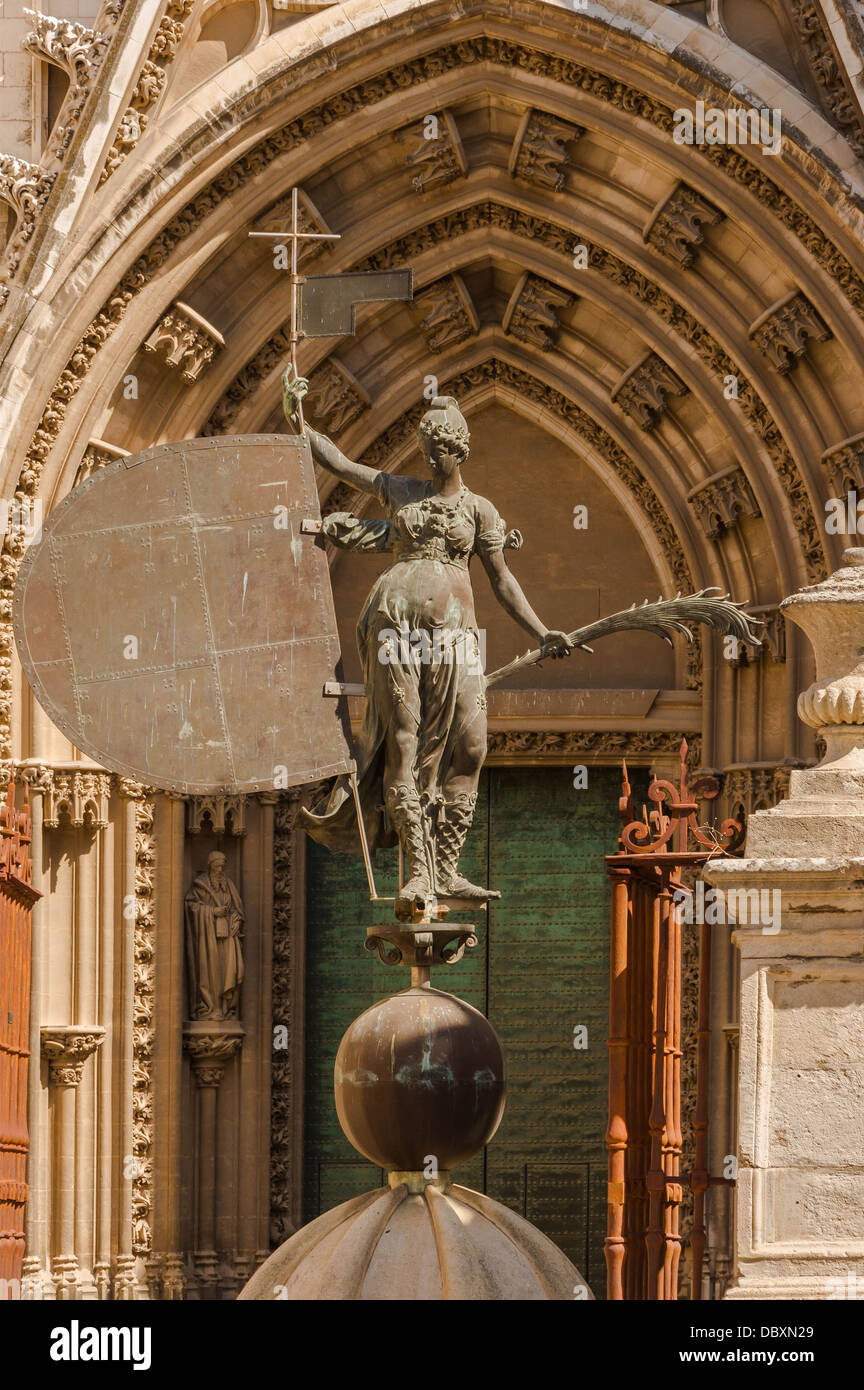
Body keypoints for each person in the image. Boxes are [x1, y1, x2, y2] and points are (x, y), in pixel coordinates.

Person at [283, 369, 571, 912]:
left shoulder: (479, 510)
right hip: (395, 622)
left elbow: (502, 580)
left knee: (473, 744)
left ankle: (448, 868)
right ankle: (419, 874)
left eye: (440, 448)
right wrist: (301, 422)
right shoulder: (401, 491)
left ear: (459, 450)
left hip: (457, 634)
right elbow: (343, 465)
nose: (432, 457)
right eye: (427, 447)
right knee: (405, 741)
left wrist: (541, 630)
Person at [184, 851, 245, 1019]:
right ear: (210, 865)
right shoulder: (200, 884)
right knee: (209, 971)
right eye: (217, 865)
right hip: (207, 937)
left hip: (227, 937)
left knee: (228, 972)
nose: (220, 869)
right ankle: (209, 1008)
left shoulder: (228, 884)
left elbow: (237, 909)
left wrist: (235, 919)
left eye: (222, 866)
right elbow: (191, 907)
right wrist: (212, 911)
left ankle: (225, 1009)